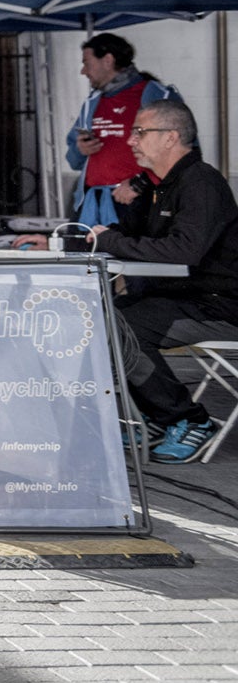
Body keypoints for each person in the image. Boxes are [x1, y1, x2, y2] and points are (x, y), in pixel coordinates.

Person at [81, 100, 232, 463]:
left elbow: (183, 251)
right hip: (176, 298)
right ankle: (153, 417)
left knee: (124, 328)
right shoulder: (156, 186)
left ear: (171, 138)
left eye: (140, 132)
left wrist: (110, 240)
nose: (131, 141)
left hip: (218, 305)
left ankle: (188, 419)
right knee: (96, 319)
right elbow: (126, 235)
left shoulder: (202, 183)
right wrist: (74, 238)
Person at [66, 33, 174, 227]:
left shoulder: (155, 94)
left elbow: (181, 153)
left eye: (87, 63)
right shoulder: (92, 102)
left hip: (137, 205)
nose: (83, 71)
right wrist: (80, 150)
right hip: (93, 205)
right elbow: (73, 161)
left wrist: (139, 184)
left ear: (108, 60)